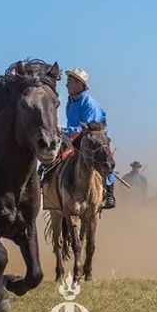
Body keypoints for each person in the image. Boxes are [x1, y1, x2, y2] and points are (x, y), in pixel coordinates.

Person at [63, 68, 117, 209]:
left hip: (94, 138)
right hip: (75, 138)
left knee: (104, 159)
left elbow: (88, 128)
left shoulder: (89, 104)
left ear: (80, 84)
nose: (66, 85)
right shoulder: (70, 102)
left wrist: (63, 131)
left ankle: (109, 192)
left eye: (70, 81)